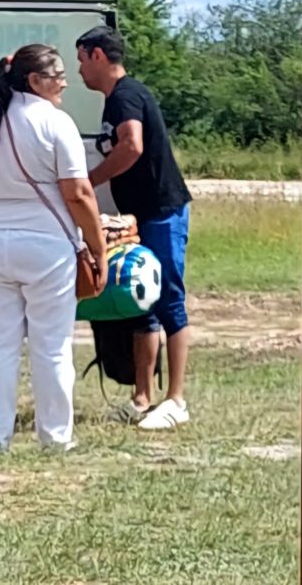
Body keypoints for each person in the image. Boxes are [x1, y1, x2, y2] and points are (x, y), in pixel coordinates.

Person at [0, 44, 107, 453]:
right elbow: (78, 194)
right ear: (34, 81)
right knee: (52, 345)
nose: (64, 81)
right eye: (57, 74)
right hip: (46, 244)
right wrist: (98, 248)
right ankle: (56, 439)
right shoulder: (55, 122)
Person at [76, 26, 193, 430]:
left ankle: (176, 400)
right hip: (137, 216)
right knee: (139, 301)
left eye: (80, 59)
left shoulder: (127, 95)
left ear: (97, 56)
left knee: (169, 300)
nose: (77, 70)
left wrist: (89, 181)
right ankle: (142, 397)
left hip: (161, 210)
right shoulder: (113, 100)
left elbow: (132, 145)